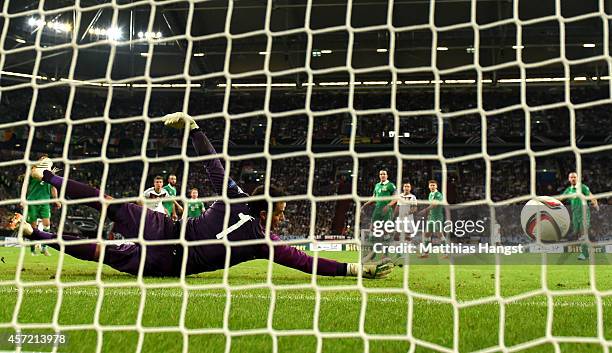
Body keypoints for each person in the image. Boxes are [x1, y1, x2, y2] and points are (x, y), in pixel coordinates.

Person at [7, 112, 393, 279]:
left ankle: (49, 177)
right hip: (167, 266)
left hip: (163, 228)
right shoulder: (265, 242)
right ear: (275, 211)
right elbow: (306, 262)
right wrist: (354, 269)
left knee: (105, 203)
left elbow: (213, 165)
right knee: (99, 252)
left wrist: (193, 129)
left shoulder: (236, 196)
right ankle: (33, 233)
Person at [24, 155, 61, 256]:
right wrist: (23, 200)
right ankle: (32, 249)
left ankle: (44, 247)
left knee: (47, 224)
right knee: (33, 227)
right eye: (42, 158)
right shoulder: (33, 172)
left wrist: (56, 200)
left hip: (45, 202)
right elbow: (25, 186)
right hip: (32, 202)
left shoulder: (50, 175)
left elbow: (53, 188)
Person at [562, 172, 599, 261]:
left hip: (584, 213)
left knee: (583, 233)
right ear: (569, 179)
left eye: (575, 177)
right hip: (575, 215)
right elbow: (561, 198)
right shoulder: (568, 190)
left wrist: (595, 203)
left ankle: (585, 254)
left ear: (578, 178)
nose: (573, 179)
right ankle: (587, 250)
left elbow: (591, 196)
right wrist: (548, 200)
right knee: (578, 234)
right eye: (571, 177)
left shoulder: (582, 187)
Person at [418, 180, 447, 258]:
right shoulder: (430, 194)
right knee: (427, 234)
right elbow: (431, 206)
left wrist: (425, 210)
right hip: (431, 217)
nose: (432, 186)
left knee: (439, 234)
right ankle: (426, 253)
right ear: (429, 186)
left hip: (438, 217)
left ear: (436, 186)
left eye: (434, 185)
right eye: (431, 185)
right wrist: (429, 214)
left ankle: (445, 253)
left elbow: (434, 204)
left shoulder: (439, 194)